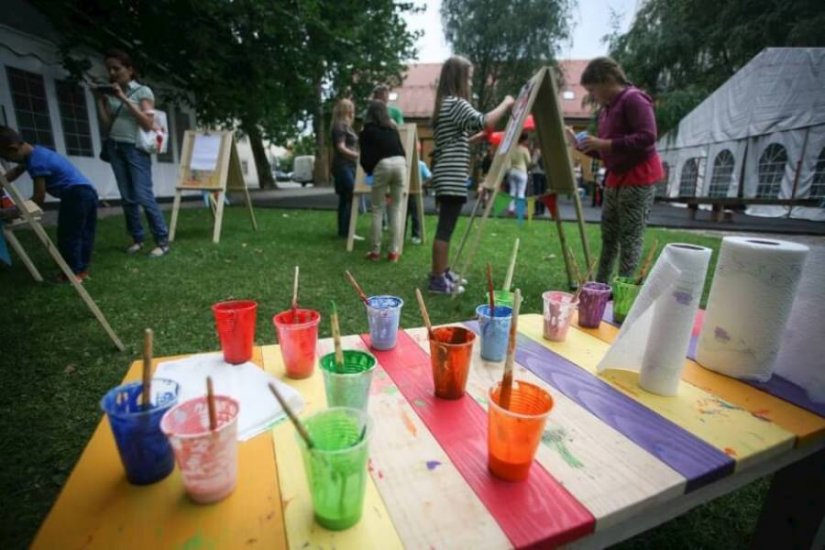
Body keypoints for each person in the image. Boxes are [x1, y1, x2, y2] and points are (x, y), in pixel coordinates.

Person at [570, 56, 663, 283]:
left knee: (630, 237)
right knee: (609, 236)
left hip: (638, 176)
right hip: (615, 178)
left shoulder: (634, 100)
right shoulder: (606, 110)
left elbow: (648, 136)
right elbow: (607, 151)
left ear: (607, 80)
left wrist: (604, 144)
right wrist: (583, 146)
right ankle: (601, 286)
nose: (592, 96)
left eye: (593, 89)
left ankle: (624, 289)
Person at [428, 55, 514, 294]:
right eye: (469, 77)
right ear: (459, 78)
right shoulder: (456, 103)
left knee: (447, 226)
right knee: (445, 228)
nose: (471, 82)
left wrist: (474, 138)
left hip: (447, 173)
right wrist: (506, 103)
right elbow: (485, 121)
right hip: (451, 175)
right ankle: (437, 278)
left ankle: (442, 272)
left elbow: (456, 137)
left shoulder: (445, 103)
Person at [94, 49, 169, 257]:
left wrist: (124, 99)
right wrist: (100, 101)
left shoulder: (142, 92)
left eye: (117, 68)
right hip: (115, 147)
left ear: (129, 69)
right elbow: (108, 124)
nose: (112, 72)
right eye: (109, 69)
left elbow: (148, 123)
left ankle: (162, 241)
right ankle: (137, 239)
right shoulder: (112, 93)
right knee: (127, 197)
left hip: (135, 148)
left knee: (143, 195)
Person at [0, 126, 98, 282]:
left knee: (68, 235)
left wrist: (14, 211)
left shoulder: (36, 162)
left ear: (13, 149)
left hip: (74, 194)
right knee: (85, 233)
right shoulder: (36, 153)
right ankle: (81, 270)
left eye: (6, 157)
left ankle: (71, 273)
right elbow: (15, 172)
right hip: (89, 192)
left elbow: (39, 198)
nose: (8, 161)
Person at [358, 100, 407, 262]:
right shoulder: (392, 128)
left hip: (382, 165)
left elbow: (365, 157)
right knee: (396, 208)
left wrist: (369, 171)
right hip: (400, 164)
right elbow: (401, 149)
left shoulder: (367, 131)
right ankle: (394, 252)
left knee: (378, 209)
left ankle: (375, 251)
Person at [330, 98, 360, 240]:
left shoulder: (346, 126)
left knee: (345, 198)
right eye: (350, 108)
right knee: (350, 195)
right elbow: (341, 147)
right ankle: (348, 231)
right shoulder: (340, 126)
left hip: (348, 165)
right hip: (343, 166)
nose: (353, 111)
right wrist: (357, 155)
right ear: (345, 110)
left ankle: (344, 231)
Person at [506, 133, 531, 220]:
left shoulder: (512, 149)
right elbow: (529, 161)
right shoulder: (525, 149)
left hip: (512, 171)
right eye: (527, 140)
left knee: (512, 190)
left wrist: (508, 170)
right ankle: (520, 210)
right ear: (524, 140)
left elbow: (508, 160)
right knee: (521, 192)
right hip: (521, 171)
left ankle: (511, 208)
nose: (528, 142)